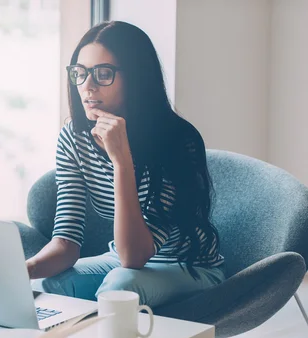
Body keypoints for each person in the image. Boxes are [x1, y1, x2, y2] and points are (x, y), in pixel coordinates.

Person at [26, 21, 226, 308]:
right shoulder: (74, 137)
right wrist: (26, 269)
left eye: (103, 74)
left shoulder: (178, 141)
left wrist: (122, 162)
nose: (88, 86)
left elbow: (135, 256)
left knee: (120, 288)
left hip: (190, 267)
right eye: (80, 74)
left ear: (137, 78)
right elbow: (66, 243)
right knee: (47, 285)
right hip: (119, 260)